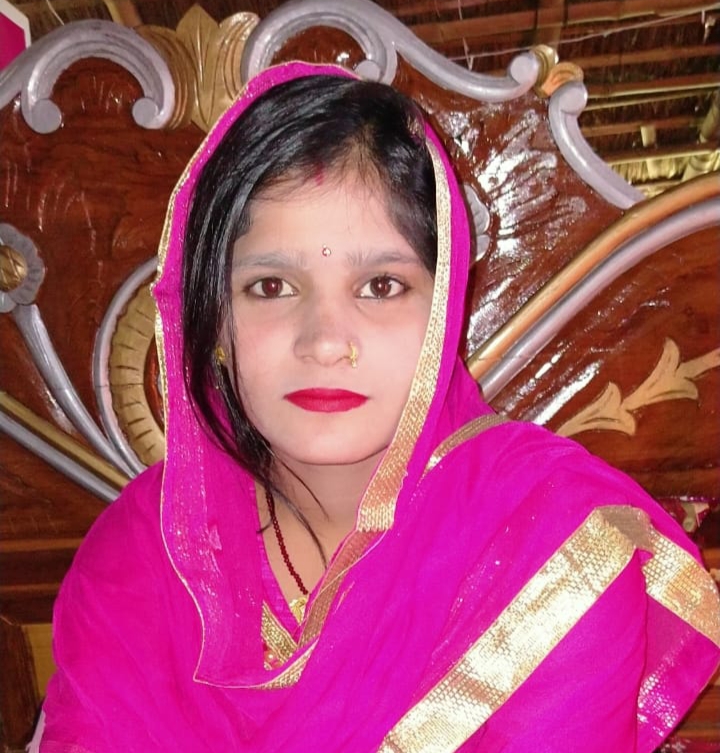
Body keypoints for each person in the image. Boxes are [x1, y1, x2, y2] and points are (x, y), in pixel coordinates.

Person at [39, 62, 720, 752]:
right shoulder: (140, 554)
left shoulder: (550, 549)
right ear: (212, 319)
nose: (325, 341)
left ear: (443, 308)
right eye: (271, 286)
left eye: (381, 285)